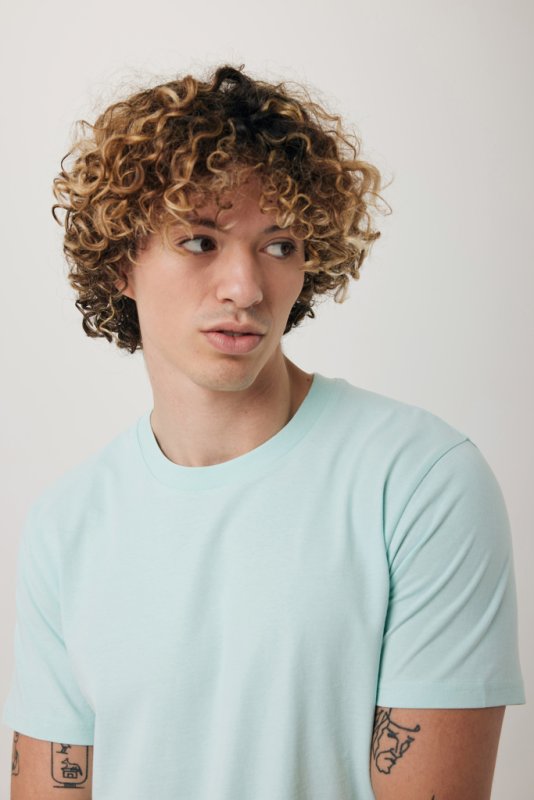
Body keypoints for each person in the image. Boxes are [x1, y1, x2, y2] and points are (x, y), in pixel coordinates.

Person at [2, 63, 524, 800]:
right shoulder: (67, 524)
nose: (246, 289)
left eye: (280, 246)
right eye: (200, 241)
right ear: (122, 261)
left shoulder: (420, 480)